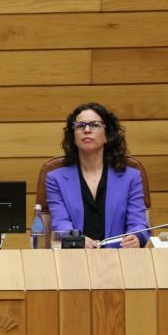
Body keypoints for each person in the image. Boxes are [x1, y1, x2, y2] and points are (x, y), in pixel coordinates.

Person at [46, 102, 149, 248]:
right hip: (75, 258)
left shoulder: (131, 178)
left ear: (107, 135)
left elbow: (138, 223)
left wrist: (136, 237)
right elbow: (60, 223)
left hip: (120, 259)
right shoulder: (55, 179)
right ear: (73, 136)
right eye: (80, 125)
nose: (87, 130)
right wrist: (77, 241)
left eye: (94, 125)